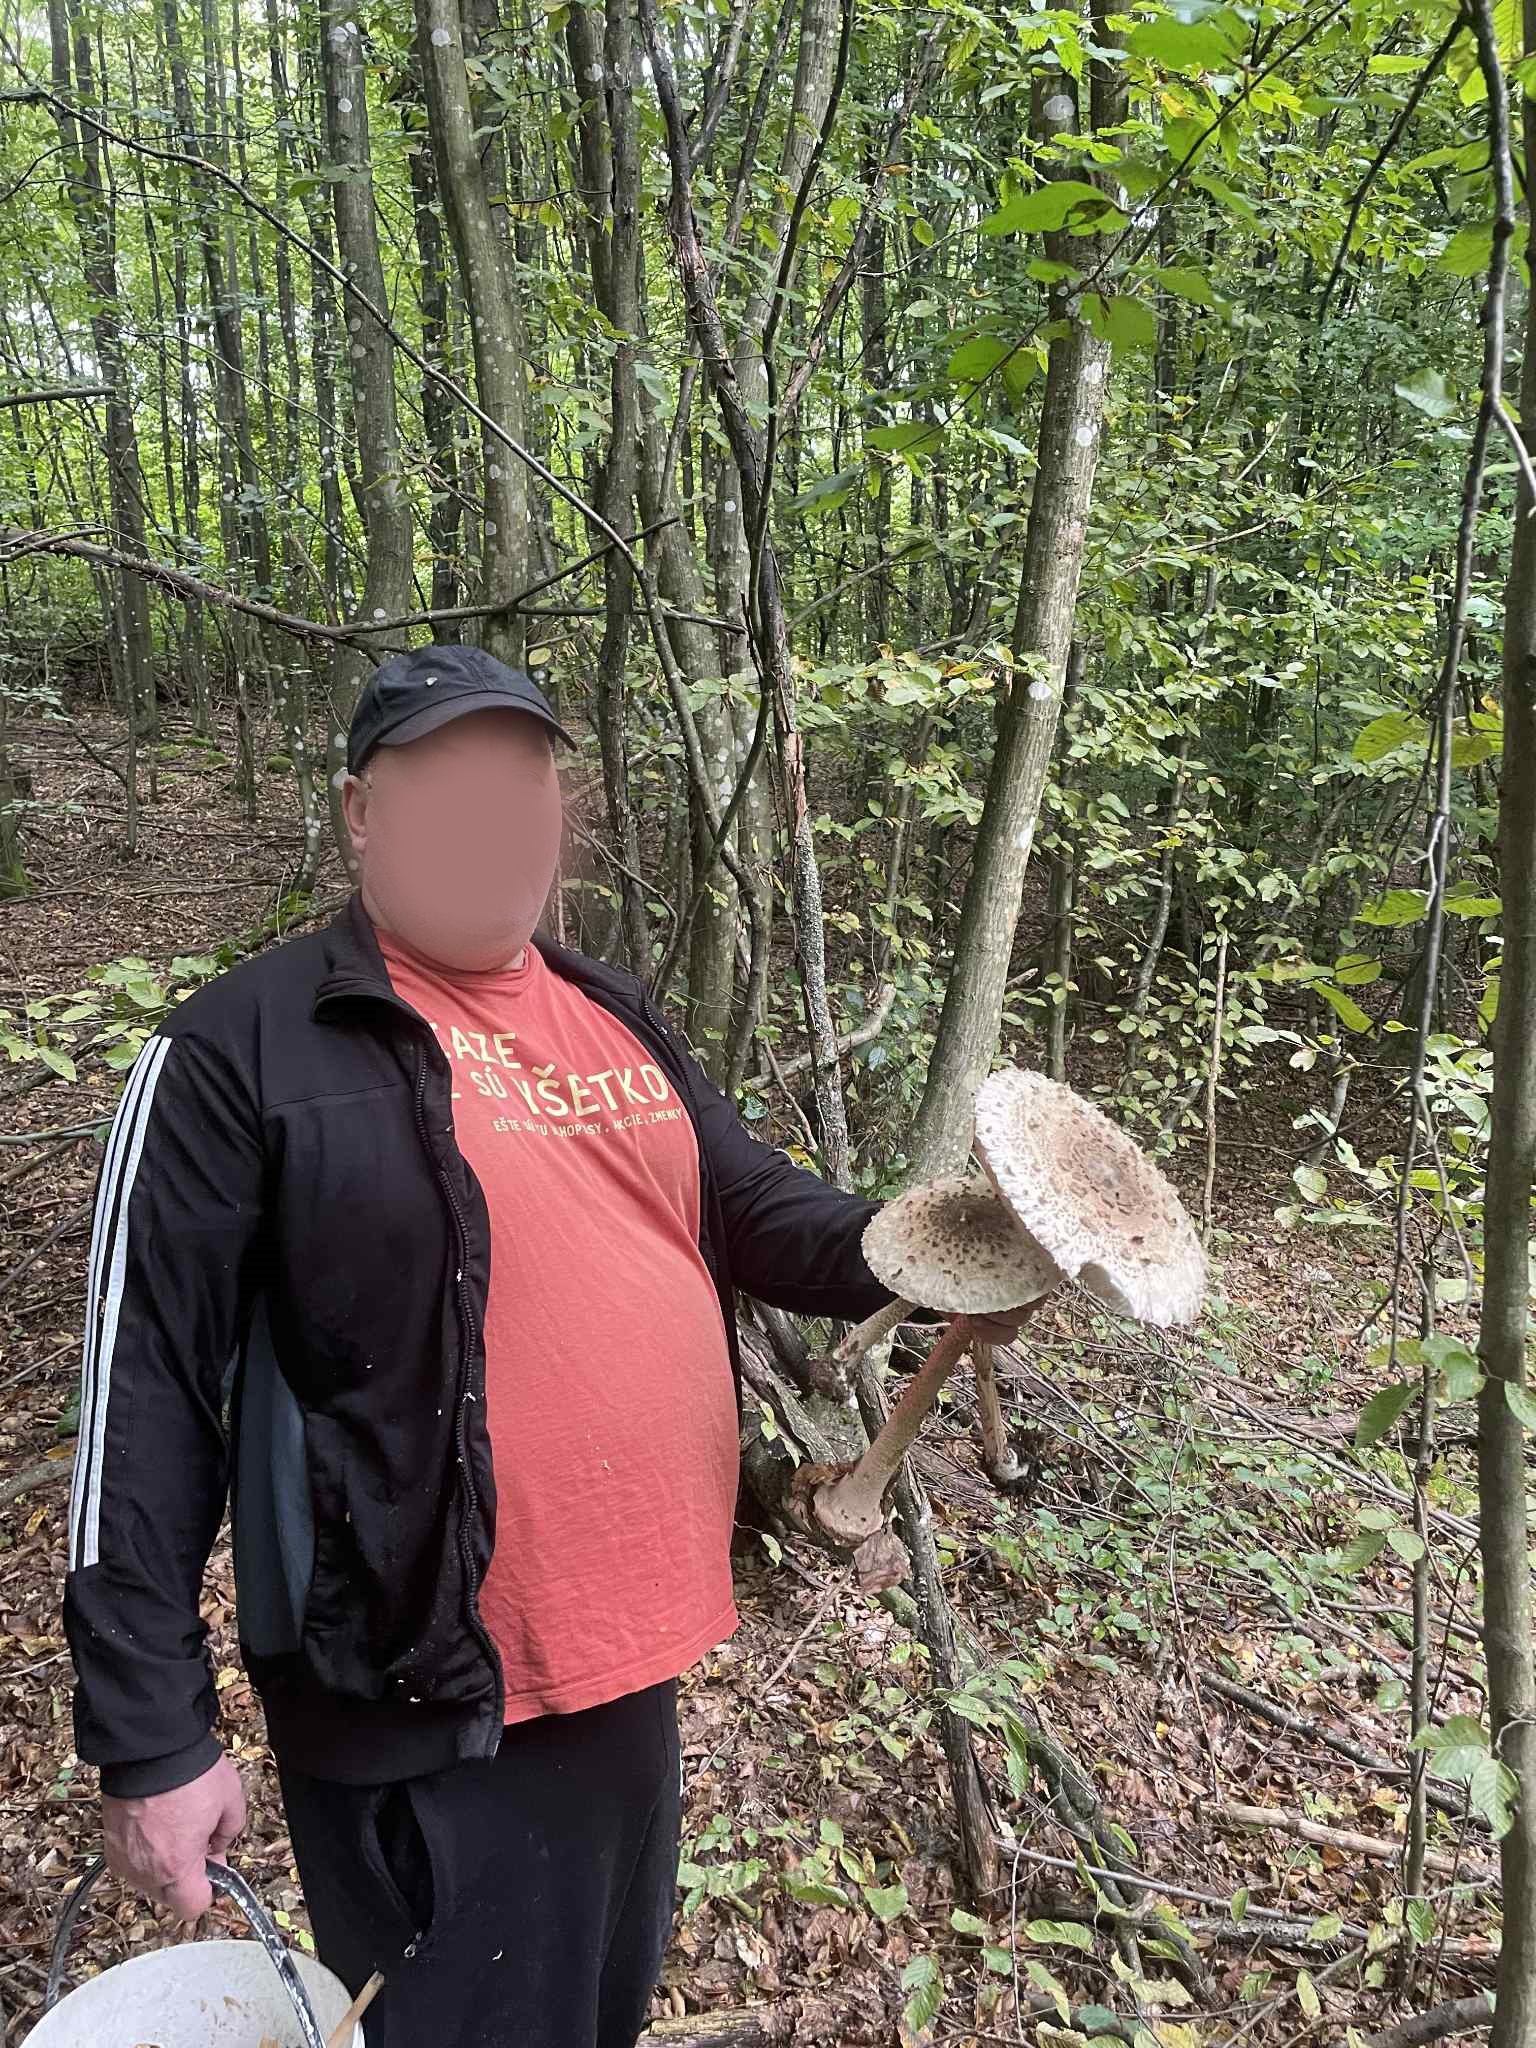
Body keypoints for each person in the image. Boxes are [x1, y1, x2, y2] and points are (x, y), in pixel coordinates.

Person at [62, 646, 1028, 2048]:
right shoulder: (242, 1050)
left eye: (523, 784)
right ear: (361, 813)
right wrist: (151, 1732)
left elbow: (754, 1210)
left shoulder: (612, 1011)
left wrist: (955, 1249)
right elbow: (140, 1393)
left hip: (628, 1669)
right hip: (420, 1695)